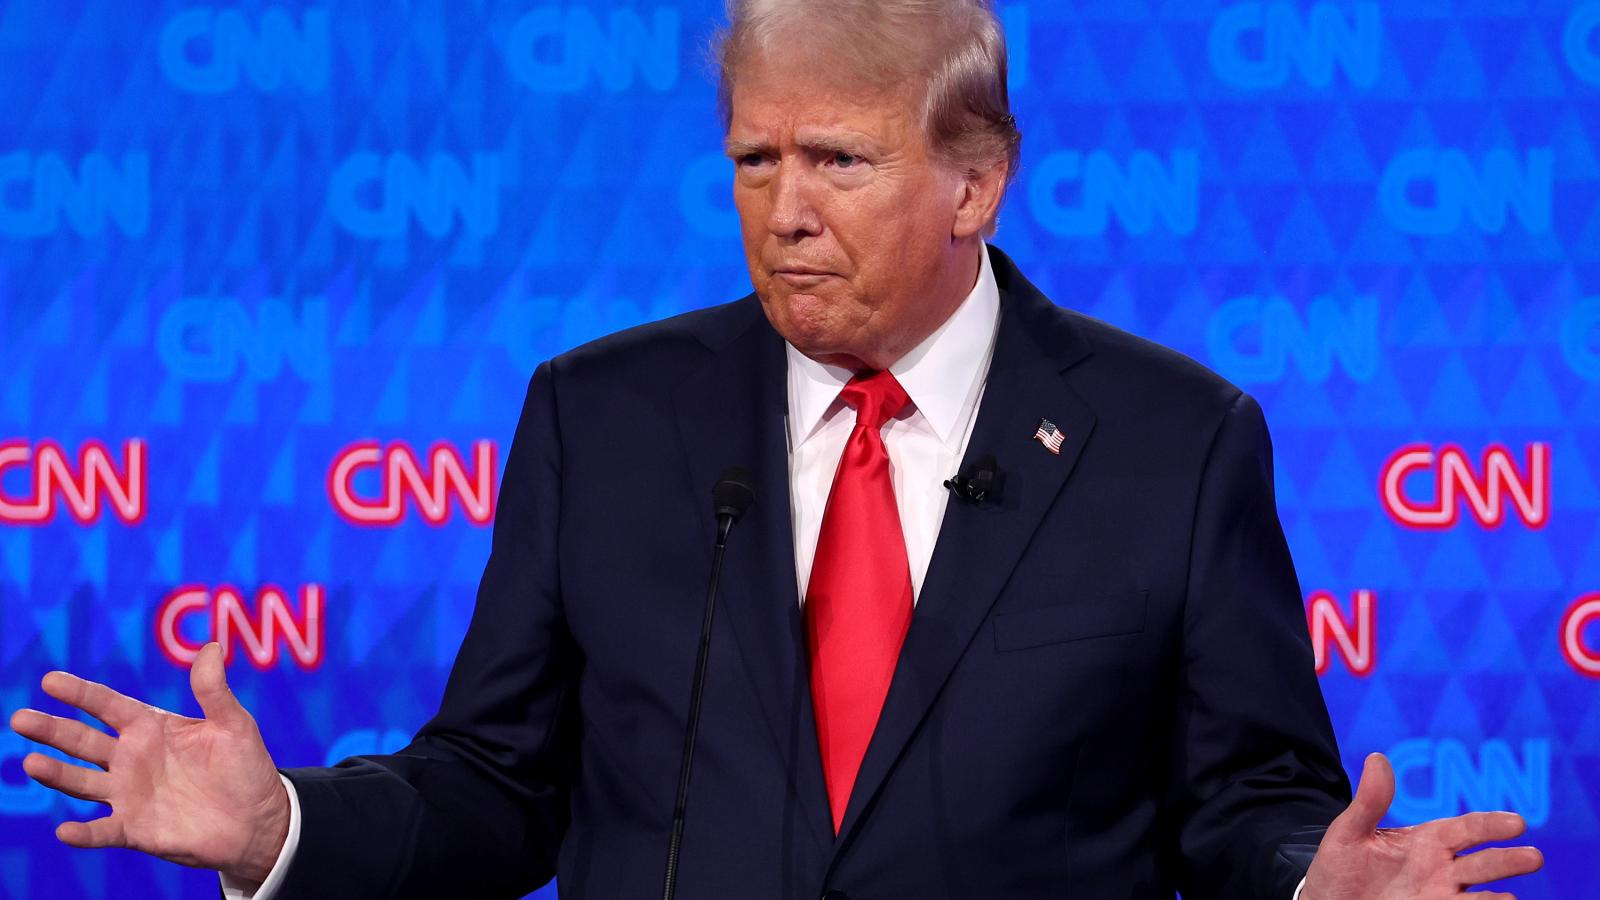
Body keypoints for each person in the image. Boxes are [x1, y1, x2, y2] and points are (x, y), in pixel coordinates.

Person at [10, 2, 1544, 898]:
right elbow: (494, 783)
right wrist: (284, 825)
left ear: (975, 181)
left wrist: (1305, 884)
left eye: (839, 161)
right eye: (756, 158)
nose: (784, 209)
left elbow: (1242, 797)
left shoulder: (1175, 441)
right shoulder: (602, 418)